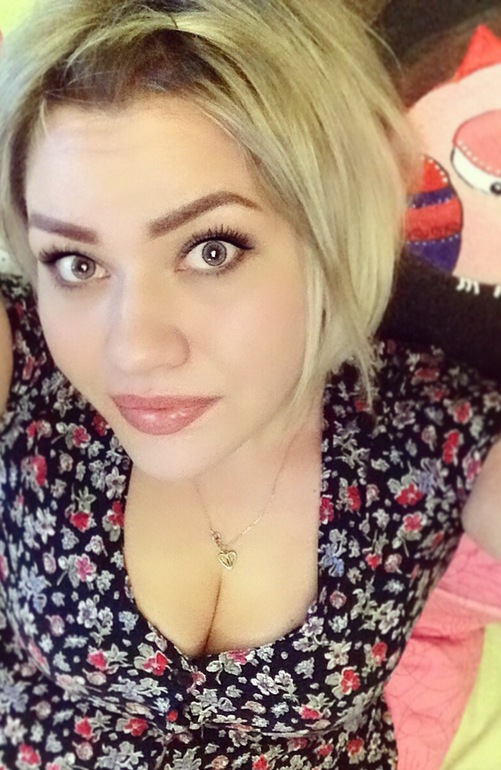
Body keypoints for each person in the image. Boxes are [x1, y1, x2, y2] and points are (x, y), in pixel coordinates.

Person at [0, 1, 499, 769]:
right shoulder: (29, 364)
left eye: (211, 250)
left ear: (328, 226)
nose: (134, 350)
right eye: (76, 262)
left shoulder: (428, 426)